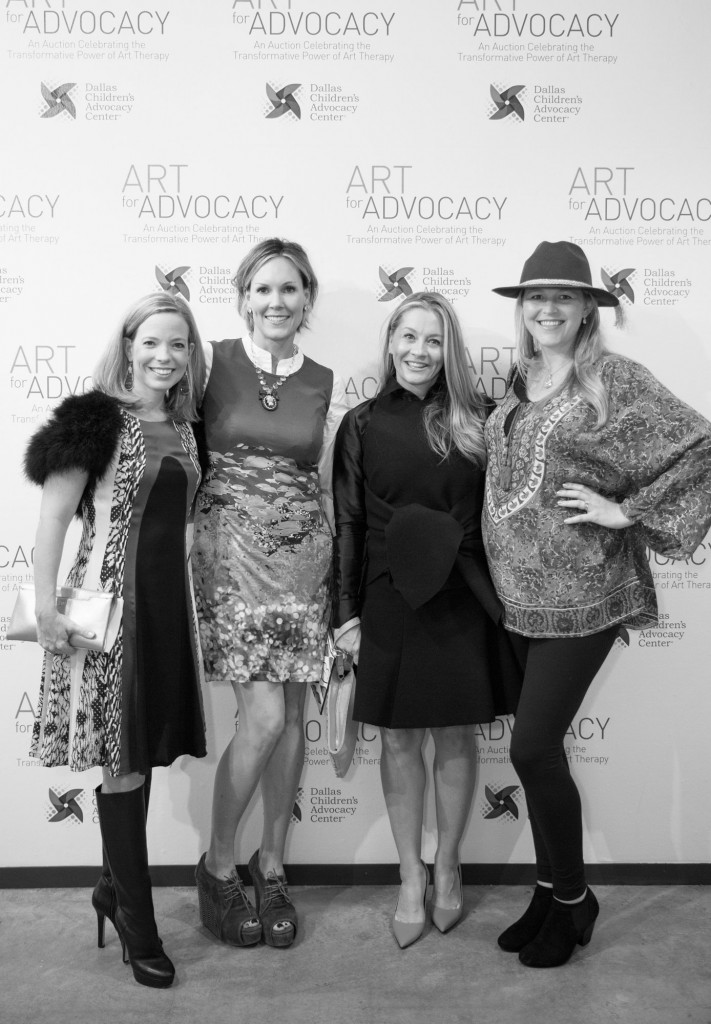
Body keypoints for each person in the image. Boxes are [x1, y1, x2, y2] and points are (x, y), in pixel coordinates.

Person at [484, 240, 711, 968]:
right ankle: (547, 891)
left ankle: (575, 901)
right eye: (535, 296)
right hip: (517, 598)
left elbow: (700, 448)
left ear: (588, 308)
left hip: (585, 592)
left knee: (531, 748)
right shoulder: (518, 378)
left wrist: (627, 511)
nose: (546, 308)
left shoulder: (612, 378)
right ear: (522, 308)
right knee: (535, 756)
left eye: (563, 296)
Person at [24, 292, 209, 988]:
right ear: (128, 346)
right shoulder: (94, 419)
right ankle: (137, 920)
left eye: (178, 344)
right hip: (107, 614)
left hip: (166, 610)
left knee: (142, 752)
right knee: (123, 761)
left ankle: (110, 887)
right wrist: (46, 607)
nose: (165, 355)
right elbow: (53, 517)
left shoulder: (186, 426)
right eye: (151, 342)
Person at [332, 291, 523, 949]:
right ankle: (409, 873)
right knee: (396, 739)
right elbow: (348, 523)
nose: (418, 351)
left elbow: (509, 513)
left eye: (433, 340)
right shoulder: (359, 423)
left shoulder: (480, 418)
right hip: (387, 595)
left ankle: (448, 865)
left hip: (461, 592)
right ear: (390, 341)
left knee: (455, 735)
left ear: (450, 350)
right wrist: (345, 616)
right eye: (407, 336)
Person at [192, 238, 348, 949]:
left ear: (307, 297)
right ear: (243, 297)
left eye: (289, 289)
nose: (276, 302)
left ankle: (273, 864)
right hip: (230, 560)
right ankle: (219, 867)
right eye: (262, 289)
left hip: (302, 563)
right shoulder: (209, 363)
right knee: (261, 720)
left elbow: (323, 484)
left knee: (288, 720)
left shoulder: (322, 379)